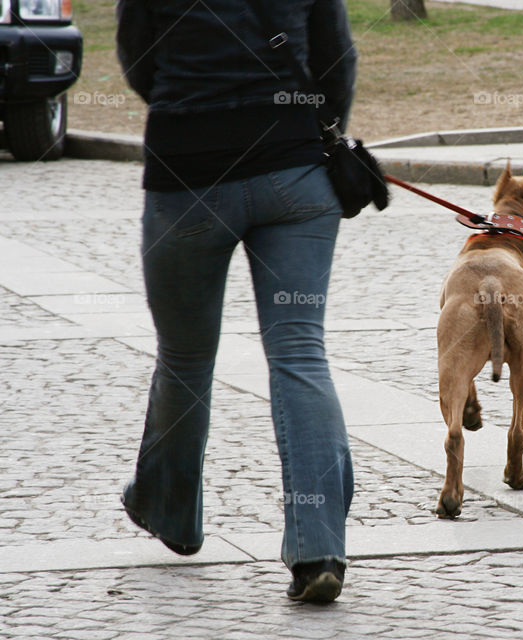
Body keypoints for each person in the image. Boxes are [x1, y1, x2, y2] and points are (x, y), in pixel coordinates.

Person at [116, 0, 357, 603]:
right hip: (295, 173)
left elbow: (136, 58)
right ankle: (317, 548)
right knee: (300, 351)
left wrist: (188, 109)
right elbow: (337, 58)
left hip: (186, 174)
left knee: (185, 355)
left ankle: (173, 514)